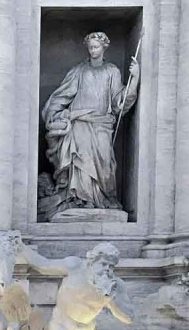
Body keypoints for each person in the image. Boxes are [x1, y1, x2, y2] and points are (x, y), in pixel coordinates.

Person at [41, 31, 140, 218]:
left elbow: (120, 100)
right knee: (79, 160)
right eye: (90, 47)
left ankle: (101, 199)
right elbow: (62, 96)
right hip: (79, 123)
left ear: (104, 47)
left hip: (101, 124)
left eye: (96, 47)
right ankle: (80, 199)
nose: (93, 50)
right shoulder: (79, 71)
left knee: (105, 164)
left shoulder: (112, 71)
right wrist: (55, 114)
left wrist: (134, 79)